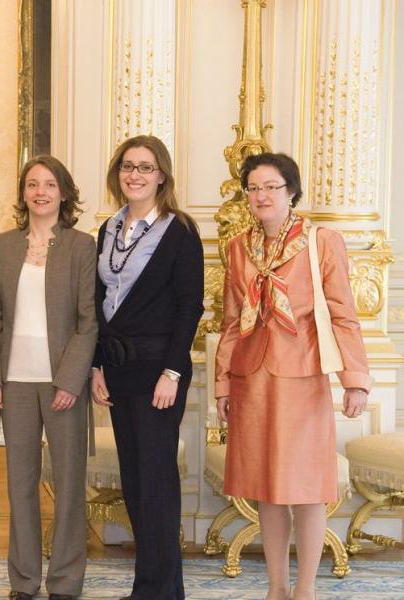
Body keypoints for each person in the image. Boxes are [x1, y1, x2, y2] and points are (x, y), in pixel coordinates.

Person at [214, 153, 371, 600]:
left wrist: (355, 380)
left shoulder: (321, 241)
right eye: (253, 188)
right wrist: (223, 383)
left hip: (303, 377)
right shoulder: (239, 247)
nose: (261, 196)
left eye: (271, 187)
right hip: (251, 379)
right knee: (266, 487)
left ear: (291, 191)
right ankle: (276, 587)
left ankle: (305, 590)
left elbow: (343, 314)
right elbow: (231, 321)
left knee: (305, 487)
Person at [90, 135, 203, 600]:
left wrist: (173, 372)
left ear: (161, 176)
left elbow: (189, 307)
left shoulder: (180, 231)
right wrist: (97, 365)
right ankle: (156, 589)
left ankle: (159, 591)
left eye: (145, 167)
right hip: (118, 371)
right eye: (127, 166)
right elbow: (99, 301)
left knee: (156, 482)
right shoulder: (109, 228)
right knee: (136, 482)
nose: (134, 174)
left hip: (159, 372)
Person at [0, 155, 97, 600]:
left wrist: (70, 380)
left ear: (63, 193)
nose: (40, 192)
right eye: (32, 184)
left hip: (62, 381)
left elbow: (88, 322)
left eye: (49, 184)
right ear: (23, 193)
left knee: (68, 486)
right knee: (20, 485)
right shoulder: (5, 245)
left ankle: (65, 581)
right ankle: (24, 581)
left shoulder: (81, 246)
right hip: (14, 381)